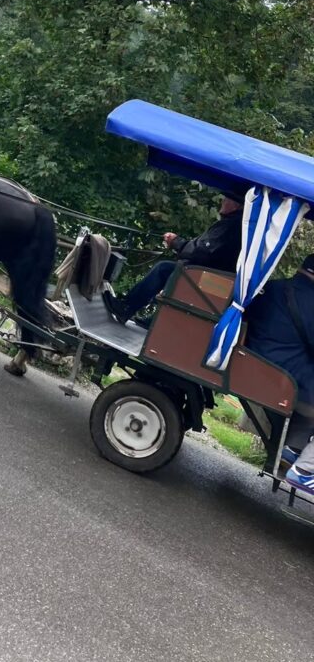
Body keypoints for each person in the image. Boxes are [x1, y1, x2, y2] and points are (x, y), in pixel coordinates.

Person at [103, 193, 244, 325]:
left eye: (227, 199)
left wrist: (178, 242)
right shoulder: (238, 225)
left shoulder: (230, 225)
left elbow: (202, 252)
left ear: (236, 205)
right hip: (214, 280)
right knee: (172, 270)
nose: (223, 201)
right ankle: (154, 319)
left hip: (207, 281)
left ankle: (126, 307)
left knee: (163, 269)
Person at [243, 255, 314, 493]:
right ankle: (304, 472)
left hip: (251, 362)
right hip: (286, 380)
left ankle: (291, 451)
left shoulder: (273, 288)